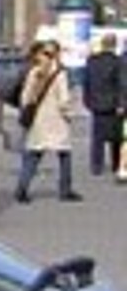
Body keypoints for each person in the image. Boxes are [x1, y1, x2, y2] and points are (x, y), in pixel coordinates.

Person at [15, 32, 80, 204]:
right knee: (64, 155)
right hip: (56, 120)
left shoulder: (34, 72)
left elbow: (25, 98)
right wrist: (68, 115)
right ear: (57, 54)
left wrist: (29, 108)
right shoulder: (59, 73)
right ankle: (65, 190)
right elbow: (64, 99)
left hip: (38, 121)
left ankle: (22, 189)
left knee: (33, 156)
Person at [82, 32, 121, 178]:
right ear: (114, 45)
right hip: (113, 104)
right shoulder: (118, 62)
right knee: (116, 138)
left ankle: (96, 165)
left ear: (102, 45)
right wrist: (121, 103)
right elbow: (121, 84)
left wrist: (87, 100)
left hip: (96, 104)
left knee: (97, 137)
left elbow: (87, 82)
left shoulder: (92, 61)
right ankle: (116, 164)